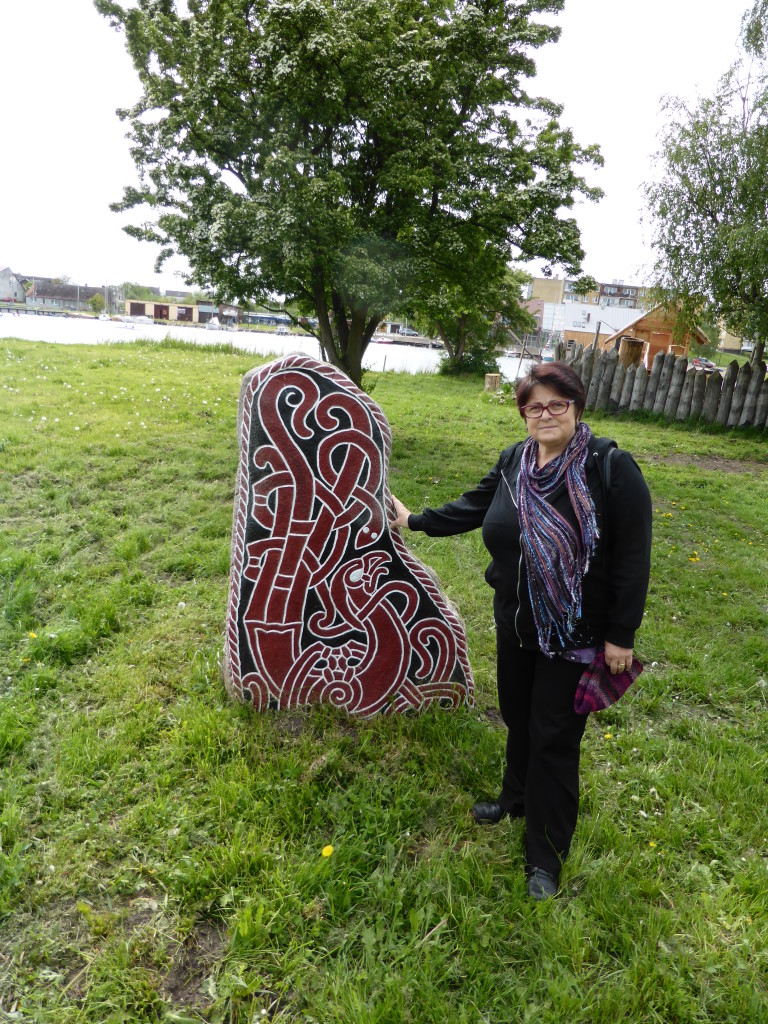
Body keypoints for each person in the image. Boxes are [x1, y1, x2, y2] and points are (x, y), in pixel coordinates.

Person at [390, 361, 652, 900]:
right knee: (517, 717)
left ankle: (546, 857)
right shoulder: (515, 461)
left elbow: (632, 556)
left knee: (554, 738)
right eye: (535, 406)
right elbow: (476, 505)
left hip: (574, 633)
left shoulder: (609, 467)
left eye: (558, 403)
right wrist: (415, 521)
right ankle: (515, 799)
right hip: (514, 622)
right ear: (523, 414)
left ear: (577, 408)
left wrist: (620, 635)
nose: (546, 413)